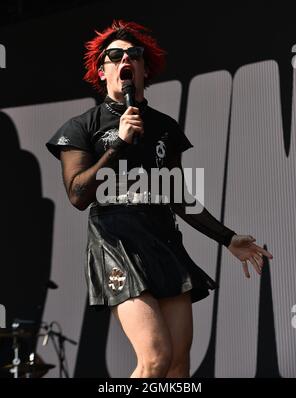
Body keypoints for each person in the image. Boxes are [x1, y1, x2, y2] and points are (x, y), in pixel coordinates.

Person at [46, 20, 273, 378]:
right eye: (115, 55)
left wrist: (228, 238)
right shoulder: (82, 127)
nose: (125, 60)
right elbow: (77, 194)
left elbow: (178, 195)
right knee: (155, 359)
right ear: (102, 70)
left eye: (134, 55)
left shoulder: (164, 126)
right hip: (115, 242)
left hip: (163, 242)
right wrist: (118, 144)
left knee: (178, 367)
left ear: (143, 69)